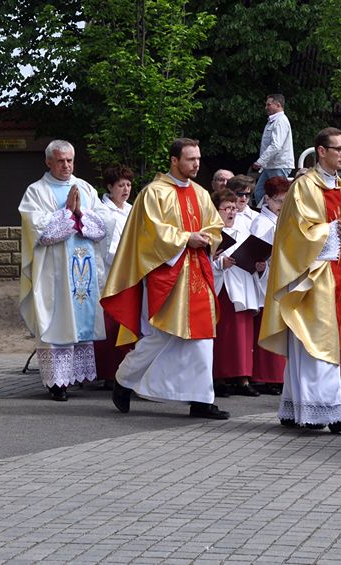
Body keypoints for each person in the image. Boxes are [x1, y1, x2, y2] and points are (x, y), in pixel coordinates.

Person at [100, 138, 229, 420]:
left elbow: (215, 226)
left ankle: (201, 400)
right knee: (161, 335)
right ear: (174, 160)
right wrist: (186, 239)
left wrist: (207, 237)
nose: (196, 164)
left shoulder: (200, 192)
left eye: (197, 158)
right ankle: (123, 381)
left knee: (202, 338)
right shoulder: (153, 194)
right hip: (168, 274)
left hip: (198, 272)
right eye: (190, 159)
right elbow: (150, 234)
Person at [259, 127, 341, 433]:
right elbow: (295, 232)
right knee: (314, 342)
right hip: (309, 274)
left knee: (316, 342)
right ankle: (328, 411)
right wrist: (333, 230)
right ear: (321, 151)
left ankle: (296, 408)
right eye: (340, 149)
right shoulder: (304, 186)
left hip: (333, 273)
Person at [19, 140, 107, 402]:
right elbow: (40, 230)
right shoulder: (36, 192)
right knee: (56, 322)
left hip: (83, 271)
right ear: (48, 162)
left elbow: (102, 225)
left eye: (70, 160)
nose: (66, 165)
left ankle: (76, 376)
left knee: (79, 319)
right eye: (60, 160)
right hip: (54, 274)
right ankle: (56, 383)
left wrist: (81, 212)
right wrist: (68, 213)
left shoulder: (86, 188)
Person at [210, 189, 260, 397]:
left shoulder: (243, 227)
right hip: (222, 287)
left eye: (233, 208)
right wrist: (220, 262)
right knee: (223, 335)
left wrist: (257, 262)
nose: (231, 212)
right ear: (216, 210)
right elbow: (203, 261)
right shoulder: (211, 230)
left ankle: (243, 378)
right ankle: (219, 378)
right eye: (227, 208)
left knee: (242, 335)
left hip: (242, 285)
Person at [94, 164, 134, 384]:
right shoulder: (102, 212)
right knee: (109, 324)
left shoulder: (131, 209)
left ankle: (125, 370)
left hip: (130, 273)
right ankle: (108, 373)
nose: (126, 189)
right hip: (110, 273)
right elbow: (105, 246)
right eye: (121, 185)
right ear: (110, 187)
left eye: (128, 184)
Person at [250, 177, 291, 394]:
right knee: (269, 330)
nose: (281, 206)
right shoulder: (261, 222)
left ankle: (277, 376)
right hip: (266, 279)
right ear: (267, 199)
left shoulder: (282, 220)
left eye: (286, 202)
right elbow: (256, 251)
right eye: (278, 202)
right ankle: (266, 377)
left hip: (281, 279)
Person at [252, 94, 294, 205]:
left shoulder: (281, 121)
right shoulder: (274, 121)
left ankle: (278, 217)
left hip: (278, 165)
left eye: (269, 104)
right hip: (271, 165)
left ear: (278, 105)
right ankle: (265, 215)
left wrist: (260, 161)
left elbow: (276, 145)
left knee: (278, 194)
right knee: (259, 192)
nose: (266, 107)